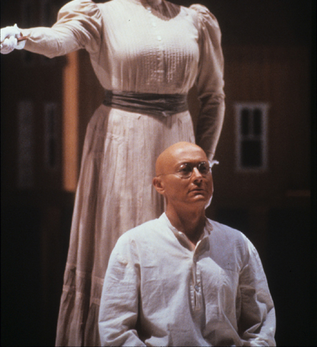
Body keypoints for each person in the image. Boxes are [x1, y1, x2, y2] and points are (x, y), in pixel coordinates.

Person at [0, 0, 225, 346]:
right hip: (123, 139)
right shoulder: (100, 16)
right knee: (125, 237)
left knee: (177, 242)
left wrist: (204, 160)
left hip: (177, 140)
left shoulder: (194, 20)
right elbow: (61, 37)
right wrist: (23, 36)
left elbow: (214, 96)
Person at [99, 142, 276, 347]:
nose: (198, 177)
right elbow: (115, 331)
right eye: (185, 170)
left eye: (203, 168)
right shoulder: (134, 245)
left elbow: (262, 326)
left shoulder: (237, 243)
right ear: (159, 185)